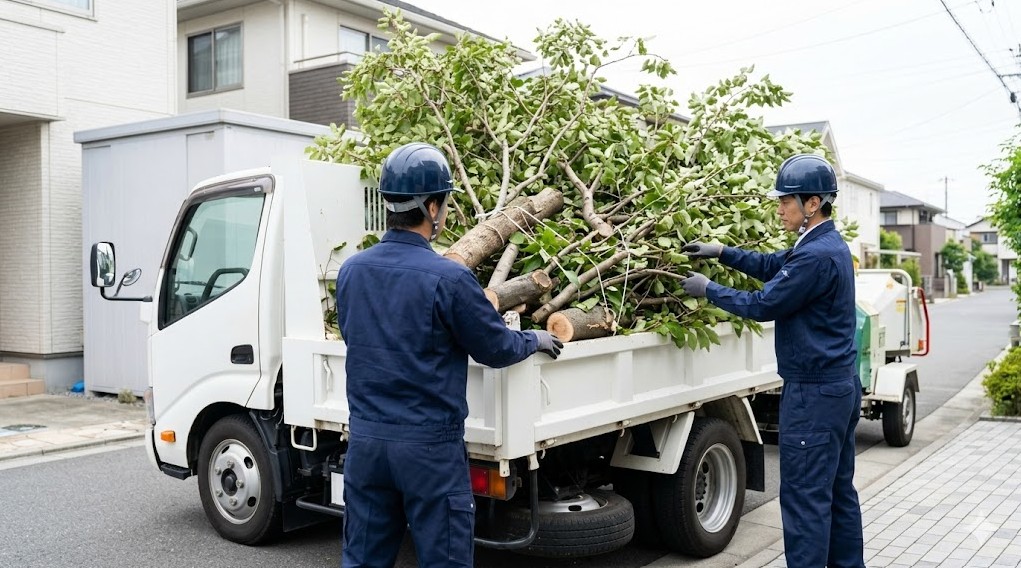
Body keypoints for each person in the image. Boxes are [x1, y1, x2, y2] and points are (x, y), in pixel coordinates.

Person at [335, 142, 563, 568]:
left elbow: (353, 335)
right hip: (428, 451)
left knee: (364, 559)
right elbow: (495, 347)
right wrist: (534, 340)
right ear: (434, 207)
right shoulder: (450, 278)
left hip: (366, 443)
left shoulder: (352, 271)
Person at [679, 154, 864, 568]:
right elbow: (771, 265)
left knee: (804, 501)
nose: (779, 208)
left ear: (812, 203)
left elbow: (764, 304)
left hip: (814, 394)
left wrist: (708, 289)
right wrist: (723, 251)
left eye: (786, 201)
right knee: (837, 493)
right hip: (838, 388)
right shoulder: (822, 244)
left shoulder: (816, 256)